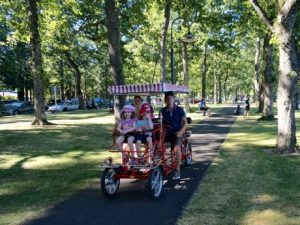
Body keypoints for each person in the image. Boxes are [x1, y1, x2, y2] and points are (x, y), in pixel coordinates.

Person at [160, 91, 188, 180]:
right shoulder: (163, 111)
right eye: (167, 98)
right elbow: (159, 122)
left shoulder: (179, 110)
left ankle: (177, 169)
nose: (169, 100)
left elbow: (185, 123)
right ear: (165, 100)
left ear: (173, 99)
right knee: (155, 143)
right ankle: (158, 163)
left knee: (176, 148)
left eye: (171, 98)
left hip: (176, 132)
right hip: (165, 132)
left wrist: (180, 132)